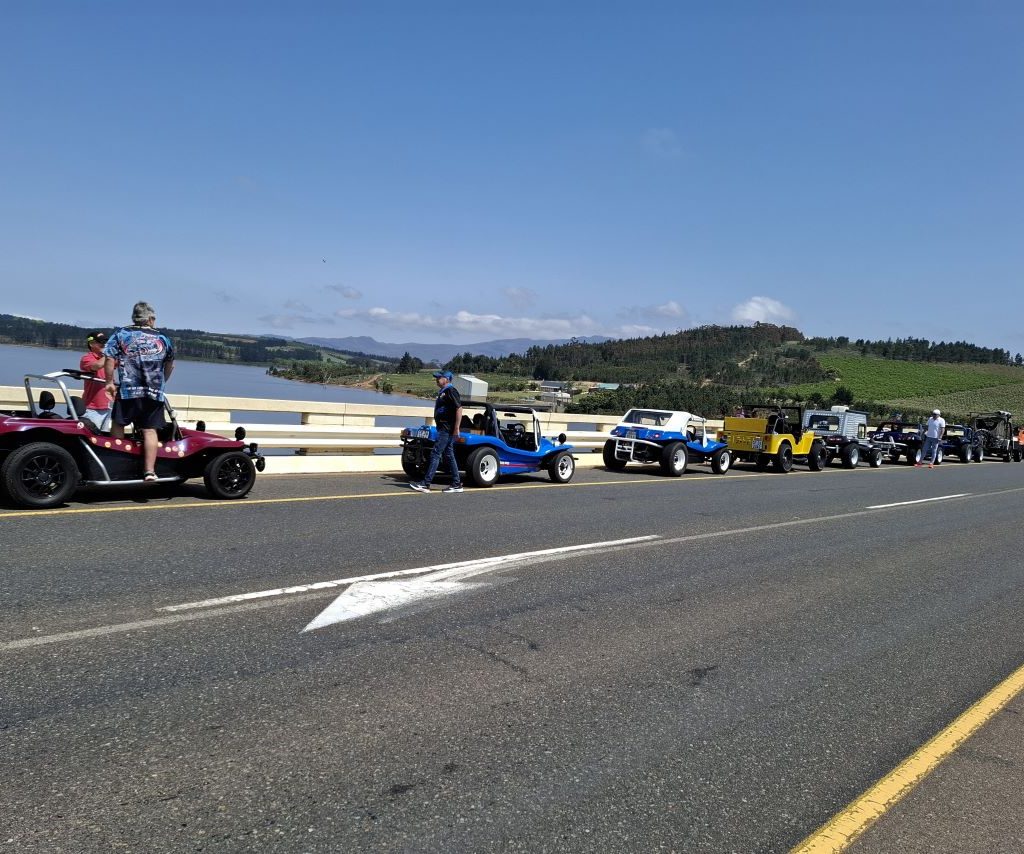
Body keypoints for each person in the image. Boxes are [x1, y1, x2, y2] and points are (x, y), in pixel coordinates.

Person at [102, 301, 175, 482]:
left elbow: (109, 359)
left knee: (119, 424)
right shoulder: (163, 338)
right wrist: (161, 383)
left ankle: (116, 468)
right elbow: (170, 364)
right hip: (153, 392)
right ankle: (149, 471)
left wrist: (109, 382)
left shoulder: (121, 334)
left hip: (128, 390)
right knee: (150, 430)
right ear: (150, 319)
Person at [409, 370, 463, 494]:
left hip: (446, 429)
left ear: (447, 379)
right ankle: (456, 484)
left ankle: (425, 484)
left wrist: (456, 428)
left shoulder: (450, 390)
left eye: (439, 377)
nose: (436, 379)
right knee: (449, 455)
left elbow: (459, 409)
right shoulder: (443, 392)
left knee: (435, 453)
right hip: (443, 428)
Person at [79, 331, 113, 431]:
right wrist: (109, 354)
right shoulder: (86, 358)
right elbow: (97, 366)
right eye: (100, 342)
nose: (104, 344)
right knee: (91, 437)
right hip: (92, 408)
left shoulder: (107, 358)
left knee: (104, 439)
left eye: (105, 342)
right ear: (91, 344)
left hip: (107, 407)